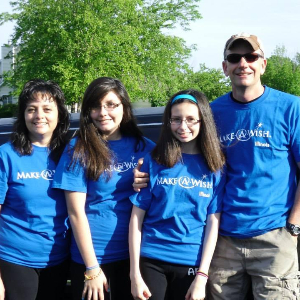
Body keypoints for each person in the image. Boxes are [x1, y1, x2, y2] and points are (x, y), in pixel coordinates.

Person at [133, 33, 300, 299]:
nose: (243, 63)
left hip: (274, 237)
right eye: (234, 58)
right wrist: (145, 165)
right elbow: (180, 152)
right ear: (225, 67)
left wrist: (293, 227)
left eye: (251, 57)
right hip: (222, 240)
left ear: (263, 64)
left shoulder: (291, 108)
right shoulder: (211, 113)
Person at [52, 77, 155, 300]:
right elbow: (75, 212)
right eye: (95, 106)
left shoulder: (145, 147)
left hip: (137, 256)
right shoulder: (78, 148)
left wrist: (147, 181)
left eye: (111, 104)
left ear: (124, 108)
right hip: (95, 258)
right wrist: (92, 268)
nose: (103, 112)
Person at [129, 89, 226, 300]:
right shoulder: (153, 161)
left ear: (203, 121)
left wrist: (202, 275)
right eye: (176, 119)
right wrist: (134, 274)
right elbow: (136, 219)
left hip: (191, 263)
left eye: (191, 119)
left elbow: (213, 223)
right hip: (151, 260)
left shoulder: (215, 167)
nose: (183, 127)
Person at [0, 79, 70, 300]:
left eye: (47, 109)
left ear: (59, 114)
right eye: (32, 109)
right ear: (23, 115)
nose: (39, 115)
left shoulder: (72, 154)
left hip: (60, 258)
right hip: (15, 258)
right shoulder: (6, 155)